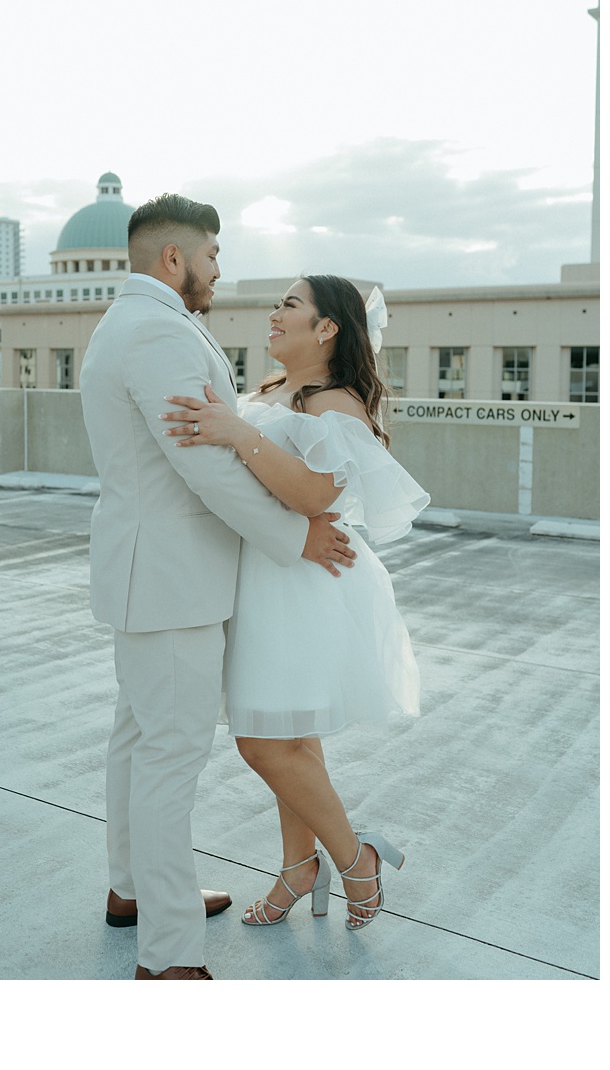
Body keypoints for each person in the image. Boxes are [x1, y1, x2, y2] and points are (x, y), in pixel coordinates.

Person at [79, 199, 358, 980]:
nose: (220, 267)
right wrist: (295, 535)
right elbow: (203, 466)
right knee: (167, 759)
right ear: (175, 258)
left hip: (150, 574)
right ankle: (170, 960)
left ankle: (132, 890)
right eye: (213, 252)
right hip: (172, 582)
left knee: (137, 742)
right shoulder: (161, 332)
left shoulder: (122, 322)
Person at [160, 274, 430, 932]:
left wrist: (231, 431)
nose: (273, 315)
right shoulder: (273, 391)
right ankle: (296, 866)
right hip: (262, 573)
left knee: (263, 742)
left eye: (290, 305)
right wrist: (230, 424)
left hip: (298, 587)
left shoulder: (337, 402)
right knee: (290, 736)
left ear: (327, 327)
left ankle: (354, 858)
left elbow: (314, 498)